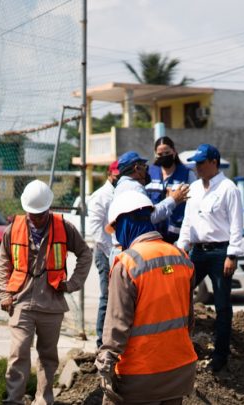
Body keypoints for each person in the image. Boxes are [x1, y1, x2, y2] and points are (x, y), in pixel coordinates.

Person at [0, 180, 92, 405]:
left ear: (49, 208)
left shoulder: (64, 227)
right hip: (21, 301)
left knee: (48, 357)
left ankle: (43, 401)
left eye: (40, 214)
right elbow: (3, 263)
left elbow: (85, 254)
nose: (36, 219)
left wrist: (72, 283)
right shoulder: (14, 228)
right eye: (32, 214)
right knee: (19, 353)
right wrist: (3, 293)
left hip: (51, 303)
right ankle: (14, 400)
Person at [95, 190, 197, 404]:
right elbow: (189, 319)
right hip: (179, 370)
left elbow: (117, 324)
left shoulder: (128, 263)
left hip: (139, 375)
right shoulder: (181, 257)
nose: (117, 237)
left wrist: (105, 362)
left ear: (124, 222)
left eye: (116, 229)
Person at [177, 144, 244, 373]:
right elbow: (188, 222)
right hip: (197, 252)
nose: (197, 168)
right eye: (195, 164)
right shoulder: (194, 188)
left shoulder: (228, 189)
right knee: (179, 293)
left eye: (201, 163)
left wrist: (232, 255)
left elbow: (237, 224)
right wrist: (180, 249)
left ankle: (220, 355)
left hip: (220, 253)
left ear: (214, 162)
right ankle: (181, 345)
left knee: (222, 304)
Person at [109, 151, 189, 263]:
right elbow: (149, 217)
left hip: (123, 251)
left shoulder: (122, 186)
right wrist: (173, 200)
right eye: (144, 167)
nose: (147, 171)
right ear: (137, 168)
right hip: (129, 253)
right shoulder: (134, 188)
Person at [87, 160, 120, 348]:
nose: (119, 178)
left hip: (119, 253)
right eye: (116, 175)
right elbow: (96, 230)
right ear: (109, 174)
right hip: (105, 252)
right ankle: (101, 342)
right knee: (107, 297)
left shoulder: (122, 193)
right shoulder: (100, 196)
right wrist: (111, 253)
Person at [146, 137, 197, 244]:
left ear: (174, 152)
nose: (164, 156)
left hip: (178, 237)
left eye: (167, 153)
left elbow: (195, 204)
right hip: (152, 236)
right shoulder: (148, 173)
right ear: (155, 154)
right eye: (160, 154)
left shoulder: (187, 174)